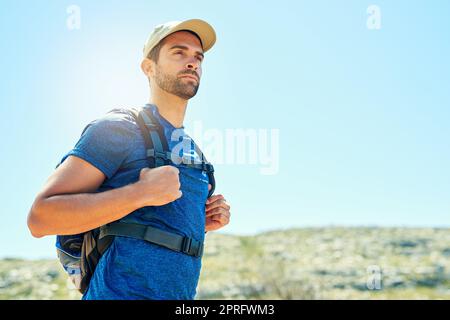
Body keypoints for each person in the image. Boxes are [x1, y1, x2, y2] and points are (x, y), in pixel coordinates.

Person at [27, 19, 231, 300]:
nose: (192, 63)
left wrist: (199, 223)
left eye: (198, 57)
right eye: (178, 53)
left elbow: (145, 231)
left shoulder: (195, 154)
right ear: (148, 67)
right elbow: (40, 218)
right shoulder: (118, 127)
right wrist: (139, 193)